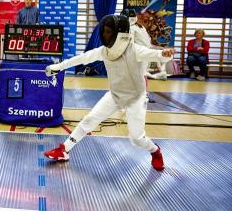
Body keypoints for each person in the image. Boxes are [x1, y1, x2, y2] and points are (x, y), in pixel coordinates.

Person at [44, 14, 175, 171]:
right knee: (89, 120)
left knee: (137, 139)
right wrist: (57, 68)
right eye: (104, 31)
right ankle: (63, 150)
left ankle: (155, 151)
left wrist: (165, 55)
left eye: (108, 32)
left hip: (135, 98)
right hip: (114, 95)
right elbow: (81, 59)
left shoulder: (134, 50)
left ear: (119, 34)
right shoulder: (104, 51)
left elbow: (155, 55)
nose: (105, 35)